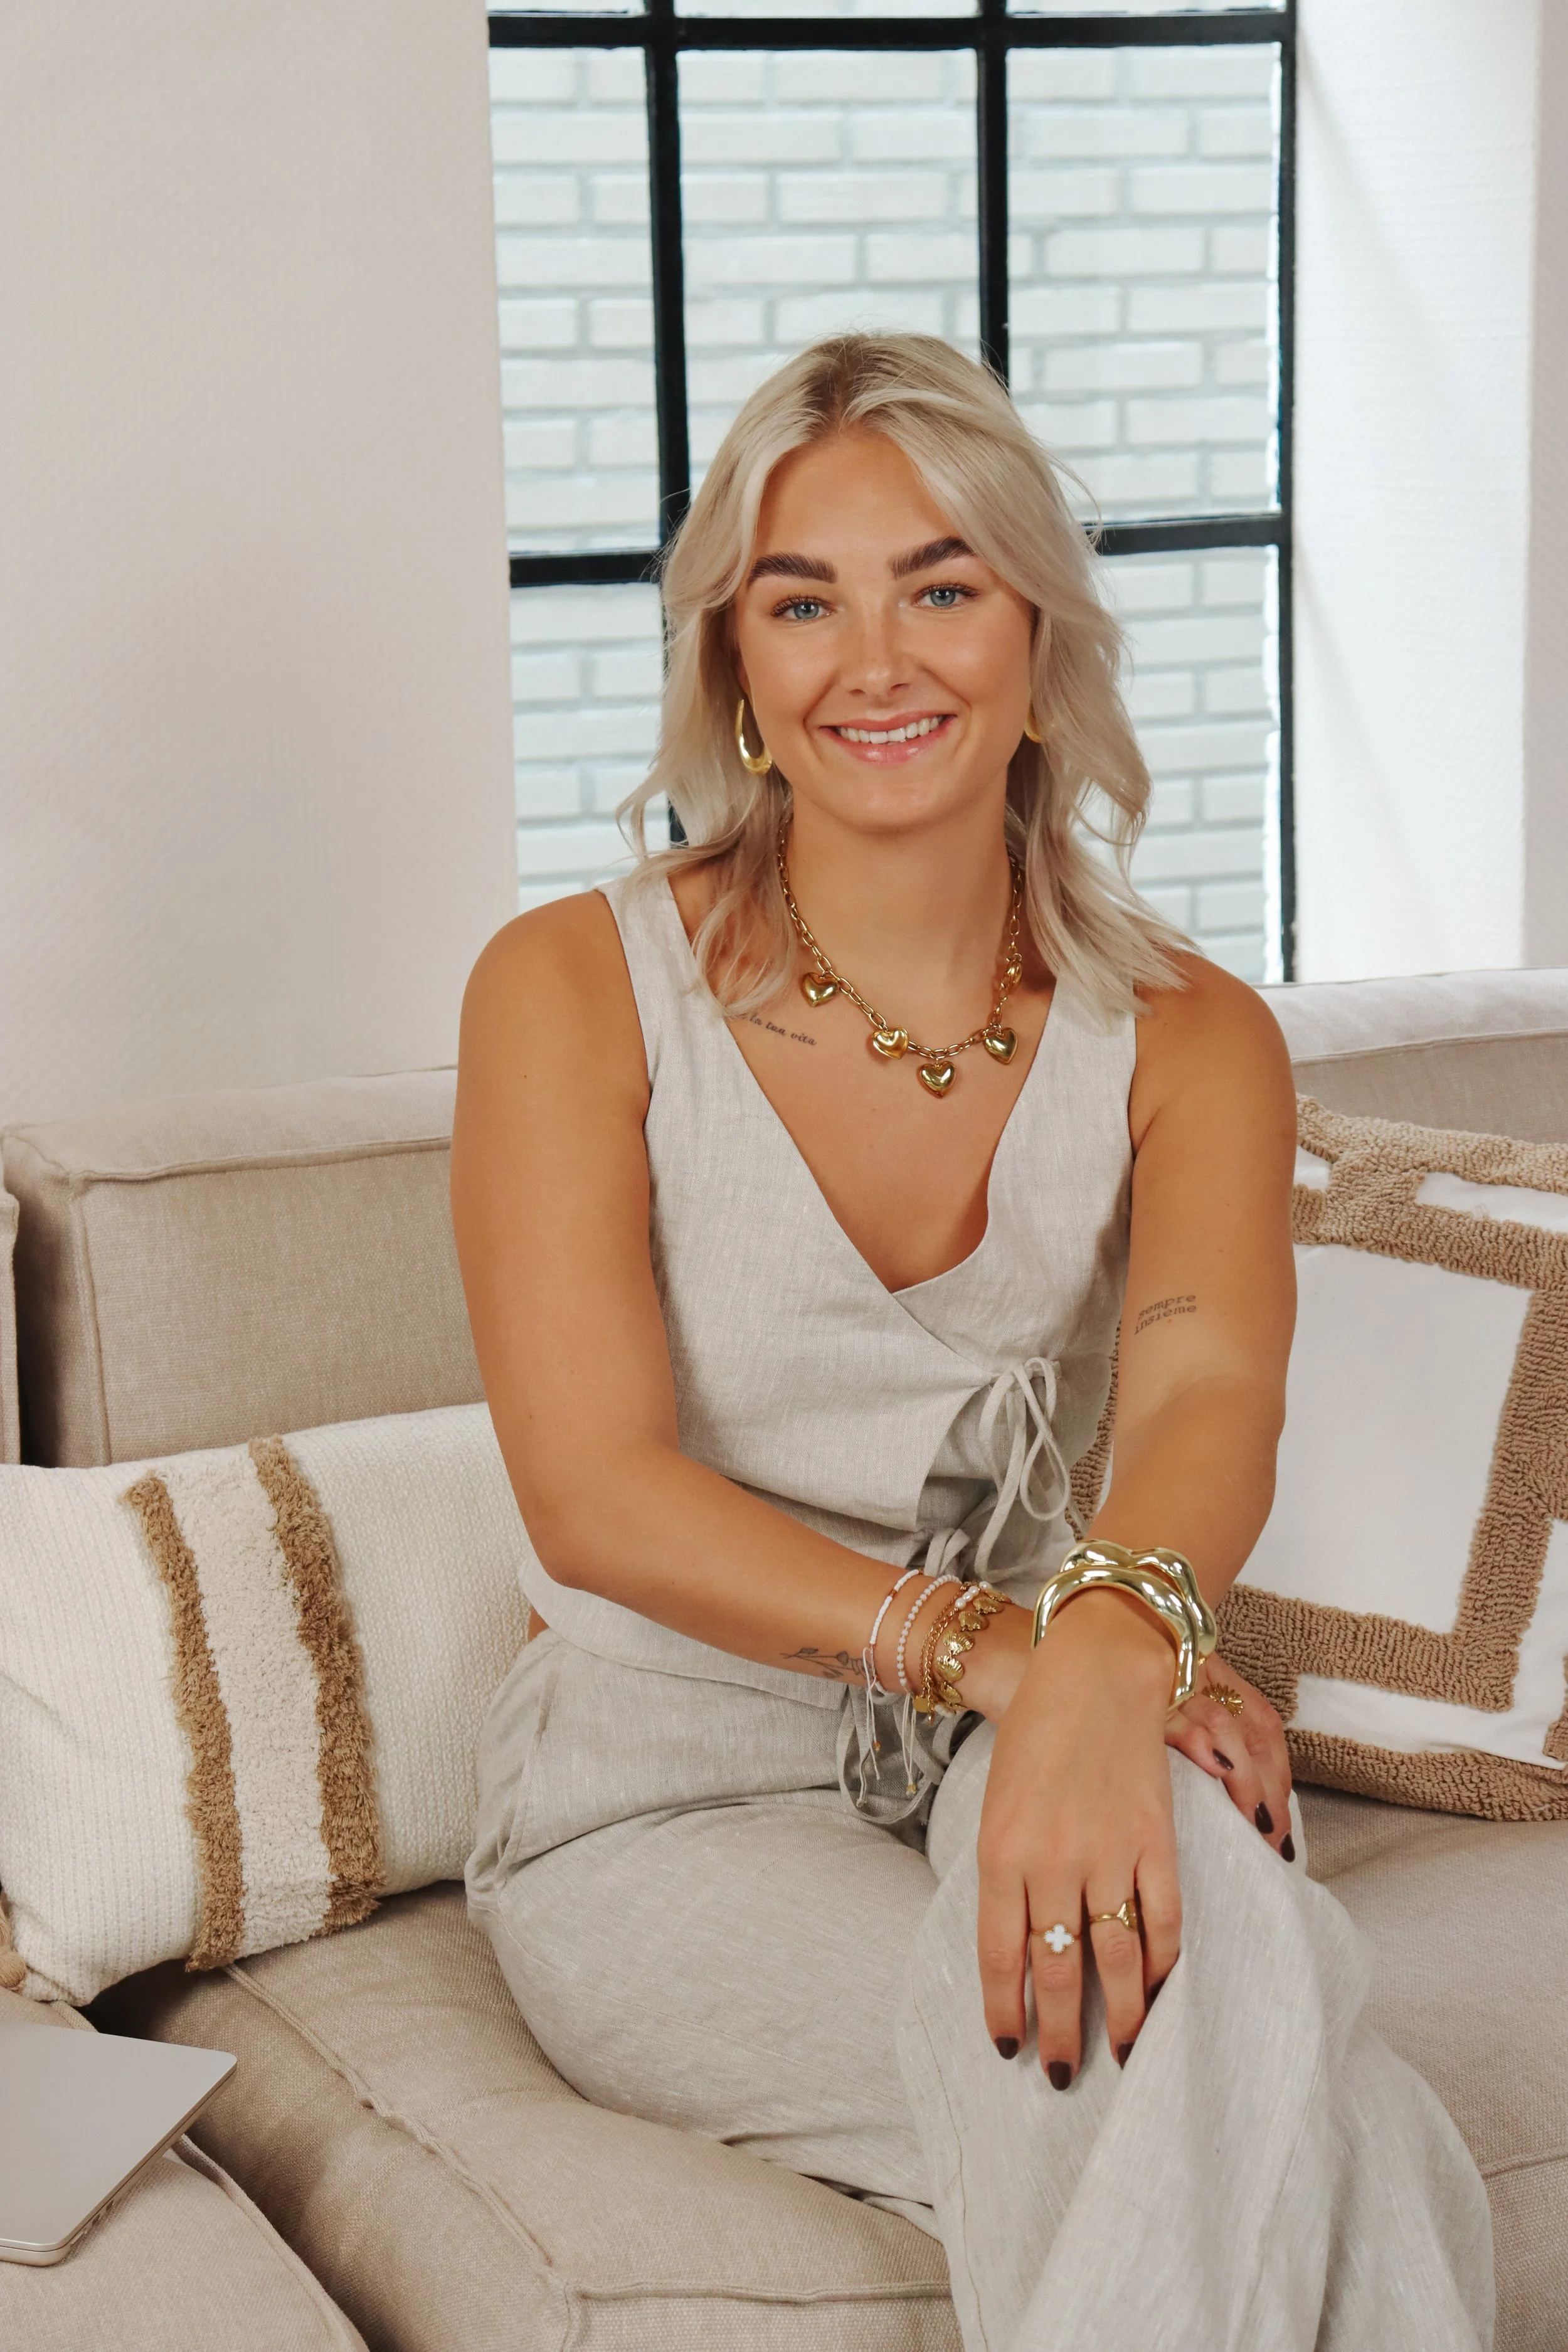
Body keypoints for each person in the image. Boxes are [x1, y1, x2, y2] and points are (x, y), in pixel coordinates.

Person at [451, 334, 1493, 2350]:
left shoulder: (1189, 1033)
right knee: (1229, 2070)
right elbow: (594, 1496)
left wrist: (1110, 1650)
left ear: (1033, 626)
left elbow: (1201, 1390)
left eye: (938, 583)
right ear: (732, 663)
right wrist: (1034, 1653)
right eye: (797, 597)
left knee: (1213, 2013)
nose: (875, 658)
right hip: (661, 1792)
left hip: (1045, 1705)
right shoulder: (570, 991)